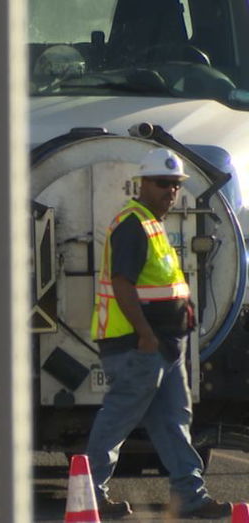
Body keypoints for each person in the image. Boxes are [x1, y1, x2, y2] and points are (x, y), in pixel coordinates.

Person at [84, 147, 232, 519]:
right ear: (143, 184)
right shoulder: (132, 224)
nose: (171, 191)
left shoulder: (152, 224)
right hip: (139, 346)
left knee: (173, 423)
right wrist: (146, 334)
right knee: (117, 421)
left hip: (165, 346)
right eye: (162, 183)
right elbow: (122, 283)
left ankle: (190, 498)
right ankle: (89, 496)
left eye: (175, 184)